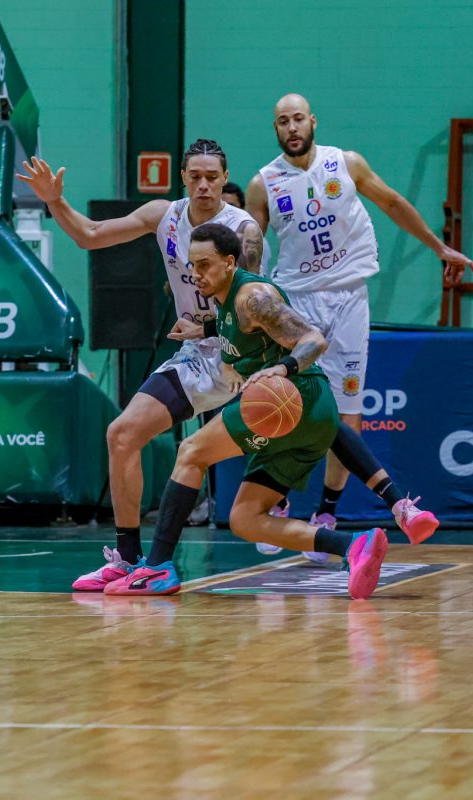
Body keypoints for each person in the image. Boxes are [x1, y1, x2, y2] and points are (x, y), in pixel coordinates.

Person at [17, 139, 265, 591]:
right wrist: (55, 201)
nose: (204, 185)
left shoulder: (243, 231)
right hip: (196, 356)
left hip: (239, 354)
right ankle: (128, 559)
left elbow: (247, 307)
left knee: (296, 429)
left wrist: (207, 327)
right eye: (195, 176)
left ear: (225, 179)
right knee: (122, 434)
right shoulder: (163, 216)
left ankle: (330, 515)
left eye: (212, 177)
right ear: (183, 178)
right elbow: (90, 235)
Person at [244, 93, 473, 561]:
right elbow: (251, 249)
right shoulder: (263, 183)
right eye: (282, 121)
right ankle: (276, 501)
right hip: (297, 302)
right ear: (275, 129)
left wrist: (439, 248)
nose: (292, 128)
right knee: (286, 404)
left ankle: (327, 514)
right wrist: (246, 302)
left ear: (313, 121)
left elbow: (392, 202)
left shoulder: (345, 163)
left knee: (347, 414)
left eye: (298, 119)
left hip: (349, 297)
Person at [104, 223, 390, 599]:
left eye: (205, 265)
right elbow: (236, 334)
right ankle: (353, 545)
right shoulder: (224, 301)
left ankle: (157, 567)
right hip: (311, 416)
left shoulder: (251, 297)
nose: (196, 274)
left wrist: (283, 368)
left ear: (229, 262)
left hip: (292, 397)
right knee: (245, 519)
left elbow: (313, 339)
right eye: (192, 266)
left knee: (190, 453)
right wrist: (205, 332)